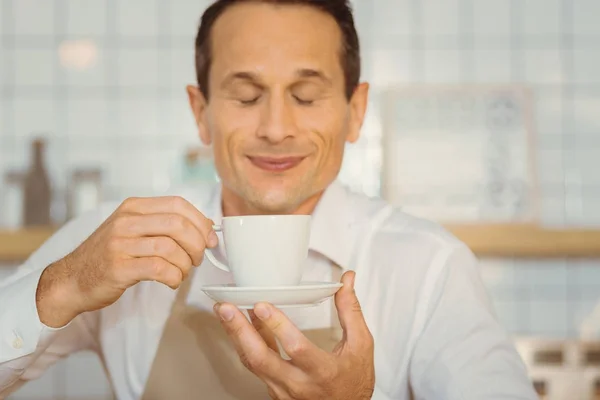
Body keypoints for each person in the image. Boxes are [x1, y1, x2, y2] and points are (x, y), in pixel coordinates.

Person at [0, 1, 537, 399]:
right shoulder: (117, 239)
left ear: (355, 110)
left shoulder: (427, 267)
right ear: (200, 111)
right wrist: (63, 284)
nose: (276, 128)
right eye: (245, 95)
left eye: (305, 96)